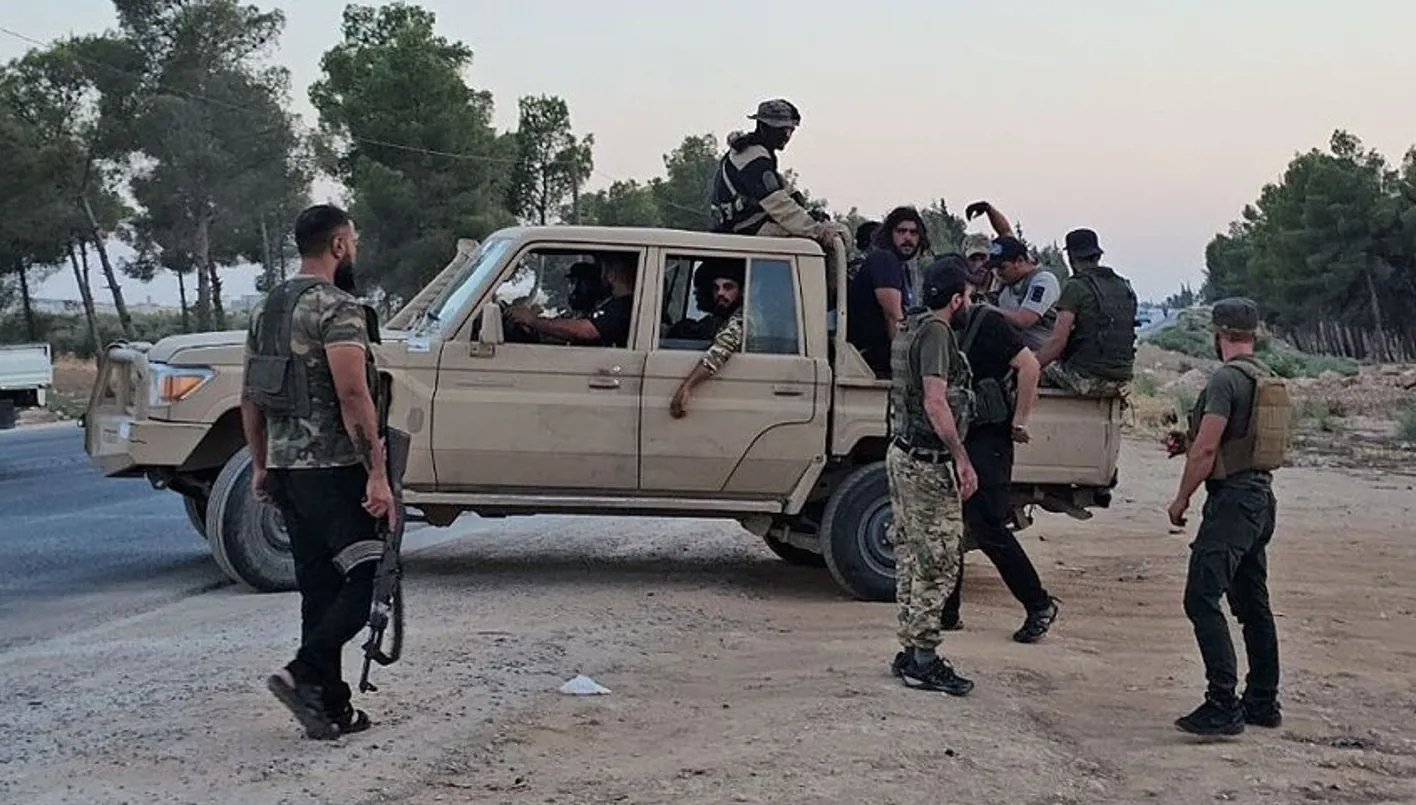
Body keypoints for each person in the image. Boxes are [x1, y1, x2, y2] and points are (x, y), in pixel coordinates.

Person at [240, 204, 397, 740]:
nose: (354, 250)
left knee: (320, 587)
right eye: (352, 241)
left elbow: (250, 395)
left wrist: (261, 464)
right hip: (333, 469)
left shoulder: (267, 309)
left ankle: (330, 709)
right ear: (337, 246)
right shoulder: (338, 308)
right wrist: (377, 475)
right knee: (370, 572)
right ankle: (303, 671)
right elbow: (353, 394)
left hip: (287, 471)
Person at [1166, 298, 1290, 736]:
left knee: (1201, 597)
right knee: (1253, 603)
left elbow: (1206, 449)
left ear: (1218, 333)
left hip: (1233, 503)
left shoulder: (1224, 379)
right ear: (1253, 334)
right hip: (1260, 499)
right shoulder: (1264, 377)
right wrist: (1190, 442)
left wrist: (1181, 498)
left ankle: (1222, 703)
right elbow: (1239, 441)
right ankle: (1262, 701)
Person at [937, 270, 1058, 643]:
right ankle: (947, 611)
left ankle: (1039, 604)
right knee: (952, 523)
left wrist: (1020, 421)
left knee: (987, 525)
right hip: (964, 434)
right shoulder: (943, 325)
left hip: (990, 436)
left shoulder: (988, 323)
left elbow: (1030, 366)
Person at [884, 254, 979, 696]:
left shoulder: (910, 326)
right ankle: (923, 660)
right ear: (956, 299)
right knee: (937, 560)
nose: (969, 303)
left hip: (903, 453)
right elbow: (935, 401)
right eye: (968, 296)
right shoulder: (938, 332)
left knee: (910, 556)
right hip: (926, 461)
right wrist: (960, 456)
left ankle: (910, 650)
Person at [709, 99, 851, 295]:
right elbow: (779, 205)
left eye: (791, 130)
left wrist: (812, 216)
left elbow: (786, 195)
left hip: (746, 226)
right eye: (782, 129)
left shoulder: (750, 152)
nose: (787, 135)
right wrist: (817, 231)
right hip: (749, 229)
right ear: (764, 127)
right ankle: (827, 300)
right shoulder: (754, 158)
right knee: (837, 237)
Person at [1035, 228, 1138, 397]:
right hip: (1122, 378)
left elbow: (1057, 343)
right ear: (1097, 256)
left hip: (1086, 377)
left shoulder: (1076, 286)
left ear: (1071, 258)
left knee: (1030, 371)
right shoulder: (1123, 286)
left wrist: (1031, 364)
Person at [845, 206, 928, 377]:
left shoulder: (901, 267)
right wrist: (907, 368)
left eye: (913, 233)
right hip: (870, 364)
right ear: (889, 234)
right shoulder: (884, 260)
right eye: (901, 231)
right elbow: (893, 317)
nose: (908, 237)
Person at [506, 253, 637, 347]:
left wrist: (532, 320)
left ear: (611, 274)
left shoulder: (624, 307)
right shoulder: (608, 304)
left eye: (603, 268)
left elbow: (585, 331)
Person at [670, 259, 745, 418]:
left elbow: (719, 352)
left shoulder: (742, 318)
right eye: (716, 288)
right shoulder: (720, 317)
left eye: (728, 287)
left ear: (741, 291)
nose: (720, 293)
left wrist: (687, 386)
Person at [988, 235, 1062, 352]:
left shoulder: (1043, 280)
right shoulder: (1005, 286)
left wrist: (986, 309)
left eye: (1002, 267)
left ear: (1020, 261)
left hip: (1046, 354)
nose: (998, 273)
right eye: (994, 268)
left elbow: (1025, 319)